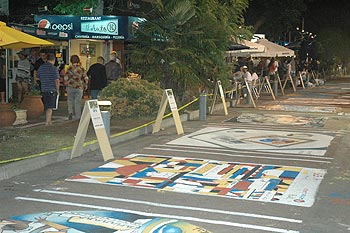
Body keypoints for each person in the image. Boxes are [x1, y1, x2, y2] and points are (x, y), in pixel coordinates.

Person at [37, 53, 60, 125]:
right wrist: (58, 89)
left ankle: (49, 121)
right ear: (54, 60)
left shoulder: (41, 67)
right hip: (52, 89)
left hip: (44, 89)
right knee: (50, 107)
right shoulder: (54, 68)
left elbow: (38, 77)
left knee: (46, 106)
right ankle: (47, 122)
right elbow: (57, 80)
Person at [64, 55, 88, 120]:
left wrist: (66, 82)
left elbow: (66, 77)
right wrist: (86, 85)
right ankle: (78, 116)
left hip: (70, 86)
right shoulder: (81, 68)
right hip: (79, 86)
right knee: (77, 102)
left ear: (71, 60)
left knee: (70, 100)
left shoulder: (69, 68)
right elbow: (85, 77)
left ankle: (70, 112)